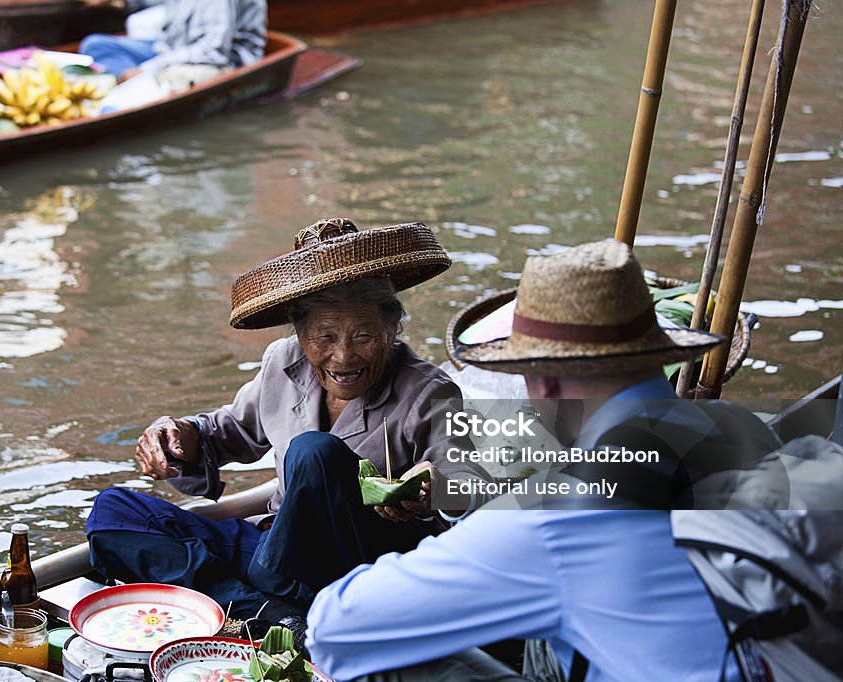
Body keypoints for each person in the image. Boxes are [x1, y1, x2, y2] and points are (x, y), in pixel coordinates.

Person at [306, 239, 777, 681]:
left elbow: (334, 628)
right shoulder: (743, 428)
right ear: (656, 355)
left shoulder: (557, 512)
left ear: (543, 384)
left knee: (388, 655)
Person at [87, 218, 483, 622]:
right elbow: (226, 432)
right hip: (276, 548)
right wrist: (178, 435)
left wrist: (434, 488)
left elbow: (468, 483)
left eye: (363, 336)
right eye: (325, 338)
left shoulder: (429, 390)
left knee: (315, 452)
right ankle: (269, 611)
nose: (344, 358)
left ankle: (251, 596)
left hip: (362, 566)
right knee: (113, 511)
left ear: (390, 329)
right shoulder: (282, 361)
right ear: (300, 334)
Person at [78, 0, 266, 85]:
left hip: (217, 62)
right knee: (95, 45)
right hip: (171, 48)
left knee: (168, 79)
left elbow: (212, 51)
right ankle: (130, 84)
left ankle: (133, 85)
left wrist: (146, 69)